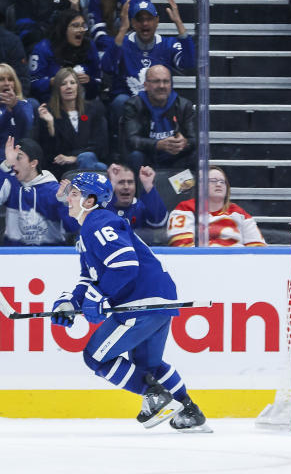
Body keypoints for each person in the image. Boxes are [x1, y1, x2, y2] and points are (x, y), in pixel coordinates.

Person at [50, 171, 208, 431]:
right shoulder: (89, 229)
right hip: (159, 298)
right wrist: (70, 302)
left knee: (95, 357)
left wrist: (99, 297)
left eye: (75, 194)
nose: (69, 200)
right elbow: (88, 278)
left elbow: (124, 265)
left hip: (140, 301)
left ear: (90, 201)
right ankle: (189, 412)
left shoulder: (97, 223)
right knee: (150, 365)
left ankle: (154, 396)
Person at [100, 0, 194, 131]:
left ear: (157, 21)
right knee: (119, 102)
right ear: (133, 23)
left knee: (178, 103)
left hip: (159, 100)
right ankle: (120, 146)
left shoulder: (167, 44)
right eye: (140, 19)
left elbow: (189, 63)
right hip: (129, 102)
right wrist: (122, 29)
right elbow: (106, 67)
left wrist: (178, 22)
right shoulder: (123, 42)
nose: (145, 24)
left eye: (149, 19)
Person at [0, 136, 68, 245]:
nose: (14, 163)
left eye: (19, 158)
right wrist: (6, 163)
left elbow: (72, 226)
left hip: (47, 256)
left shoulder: (54, 191)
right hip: (13, 256)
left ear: (33, 163)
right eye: (13, 158)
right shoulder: (11, 185)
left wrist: (64, 203)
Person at [35, 67, 108, 178]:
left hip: (88, 160)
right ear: (57, 89)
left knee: (88, 158)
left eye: (72, 83)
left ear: (78, 87)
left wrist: (74, 158)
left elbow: (99, 145)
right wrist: (50, 125)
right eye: (63, 84)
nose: (68, 86)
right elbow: (51, 154)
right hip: (63, 170)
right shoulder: (49, 114)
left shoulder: (93, 109)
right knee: (100, 168)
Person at [167, 167, 266, 247]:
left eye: (222, 182)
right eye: (213, 181)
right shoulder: (185, 208)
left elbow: (258, 248)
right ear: (200, 185)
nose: (219, 184)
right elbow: (182, 246)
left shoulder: (239, 213)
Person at [122, 65, 196, 171]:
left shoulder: (184, 105)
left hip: (176, 159)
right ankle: (140, 187)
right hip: (148, 158)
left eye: (166, 81)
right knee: (136, 156)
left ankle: (187, 188)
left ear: (171, 85)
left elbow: (195, 139)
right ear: (146, 85)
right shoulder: (134, 105)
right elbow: (132, 140)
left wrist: (184, 143)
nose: (162, 86)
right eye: (156, 81)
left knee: (197, 156)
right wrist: (158, 144)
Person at [29, 9, 102, 103]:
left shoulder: (89, 46)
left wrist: (89, 81)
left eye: (83, 26)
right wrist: (52, 82)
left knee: (98, 106)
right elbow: (32, 83)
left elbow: (98, 81)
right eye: (75, 26)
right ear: (63, 29)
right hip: (50, 104)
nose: (81, 30)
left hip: (84, 105)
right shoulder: (42, 48)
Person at [103, 163, 168, 234]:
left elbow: (159, 222)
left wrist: (148, 185)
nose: (126, 187)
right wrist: (110, 186)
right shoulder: (103, 206)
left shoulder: (141, 206)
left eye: (130, 182)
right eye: (121, 182)